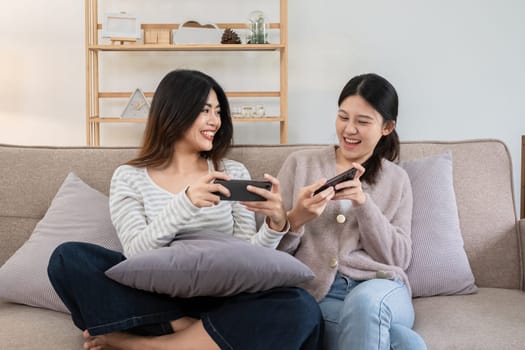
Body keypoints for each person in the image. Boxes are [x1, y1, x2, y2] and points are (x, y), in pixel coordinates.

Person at [47, 69, 323, 350]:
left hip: (224, 299)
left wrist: (275, 225)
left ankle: (143, 345)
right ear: (175, 112)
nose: (215, 121)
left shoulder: (230, 172)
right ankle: (199, 333)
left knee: (301, 307)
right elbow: (135, 253)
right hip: (156, 298)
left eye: (218, 112)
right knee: (68, 258)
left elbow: (247, 260)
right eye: (205, 111)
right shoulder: (129, 176)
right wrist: (186, 202)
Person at [277, 73, 427, 350]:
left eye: (362, 121)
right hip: (321, 294)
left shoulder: (396, 179)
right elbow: (272, 256)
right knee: (405, 343)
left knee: (365, 302)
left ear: (387, 127)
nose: (349, 129)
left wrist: (364, 204)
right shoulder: (300, 164)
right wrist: (297, 218)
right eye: (343, 117)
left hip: (383, 287)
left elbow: (399, 257)